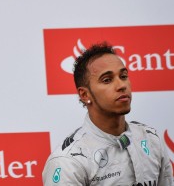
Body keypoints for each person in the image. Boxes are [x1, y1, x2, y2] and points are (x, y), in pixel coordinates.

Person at [42, 42, 173, 185]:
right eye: (107, 80)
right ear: (85, 95)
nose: (121, 85)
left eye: (123, 76)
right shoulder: (68, 162)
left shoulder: (151, 139)